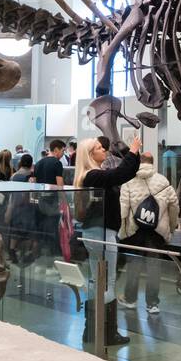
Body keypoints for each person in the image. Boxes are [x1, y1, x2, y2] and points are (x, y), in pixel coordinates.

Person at [74, 134, 142, 346]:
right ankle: (106, 331)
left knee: (98, 282)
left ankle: (93, 330)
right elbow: (121, 173)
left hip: (98, 233)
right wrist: (132, 151)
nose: (103, 150)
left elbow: (122, 174)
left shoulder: (91, 176)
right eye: (98, 148)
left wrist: (134, 154)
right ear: (90, 154)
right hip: (101, 234)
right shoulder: (93, 176)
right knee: (107, 284)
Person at [118, 152, 180, 315]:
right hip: (157, 232)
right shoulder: (163, 181)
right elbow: (174, 207)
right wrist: (170, 229)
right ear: (153, 163)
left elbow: (124, 210)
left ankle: (130, 299)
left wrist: (124, 232)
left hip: (134, 231)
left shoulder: (128, 182)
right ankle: (152, 303)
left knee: (134, 265)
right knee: (154, 266)